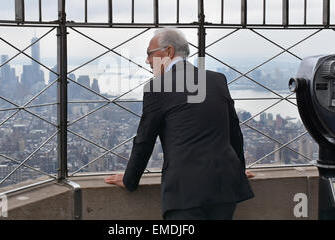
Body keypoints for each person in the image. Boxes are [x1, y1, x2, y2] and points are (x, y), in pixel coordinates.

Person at [104, 27, 255, 220]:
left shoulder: (157, 86)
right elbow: (234, 132)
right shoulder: (217, 80)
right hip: (225, 186)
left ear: (168, 52)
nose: (147, 61)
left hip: (185, 191)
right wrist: (239, 170)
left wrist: (130, 180)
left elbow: (144, 139)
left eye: (149, 54)